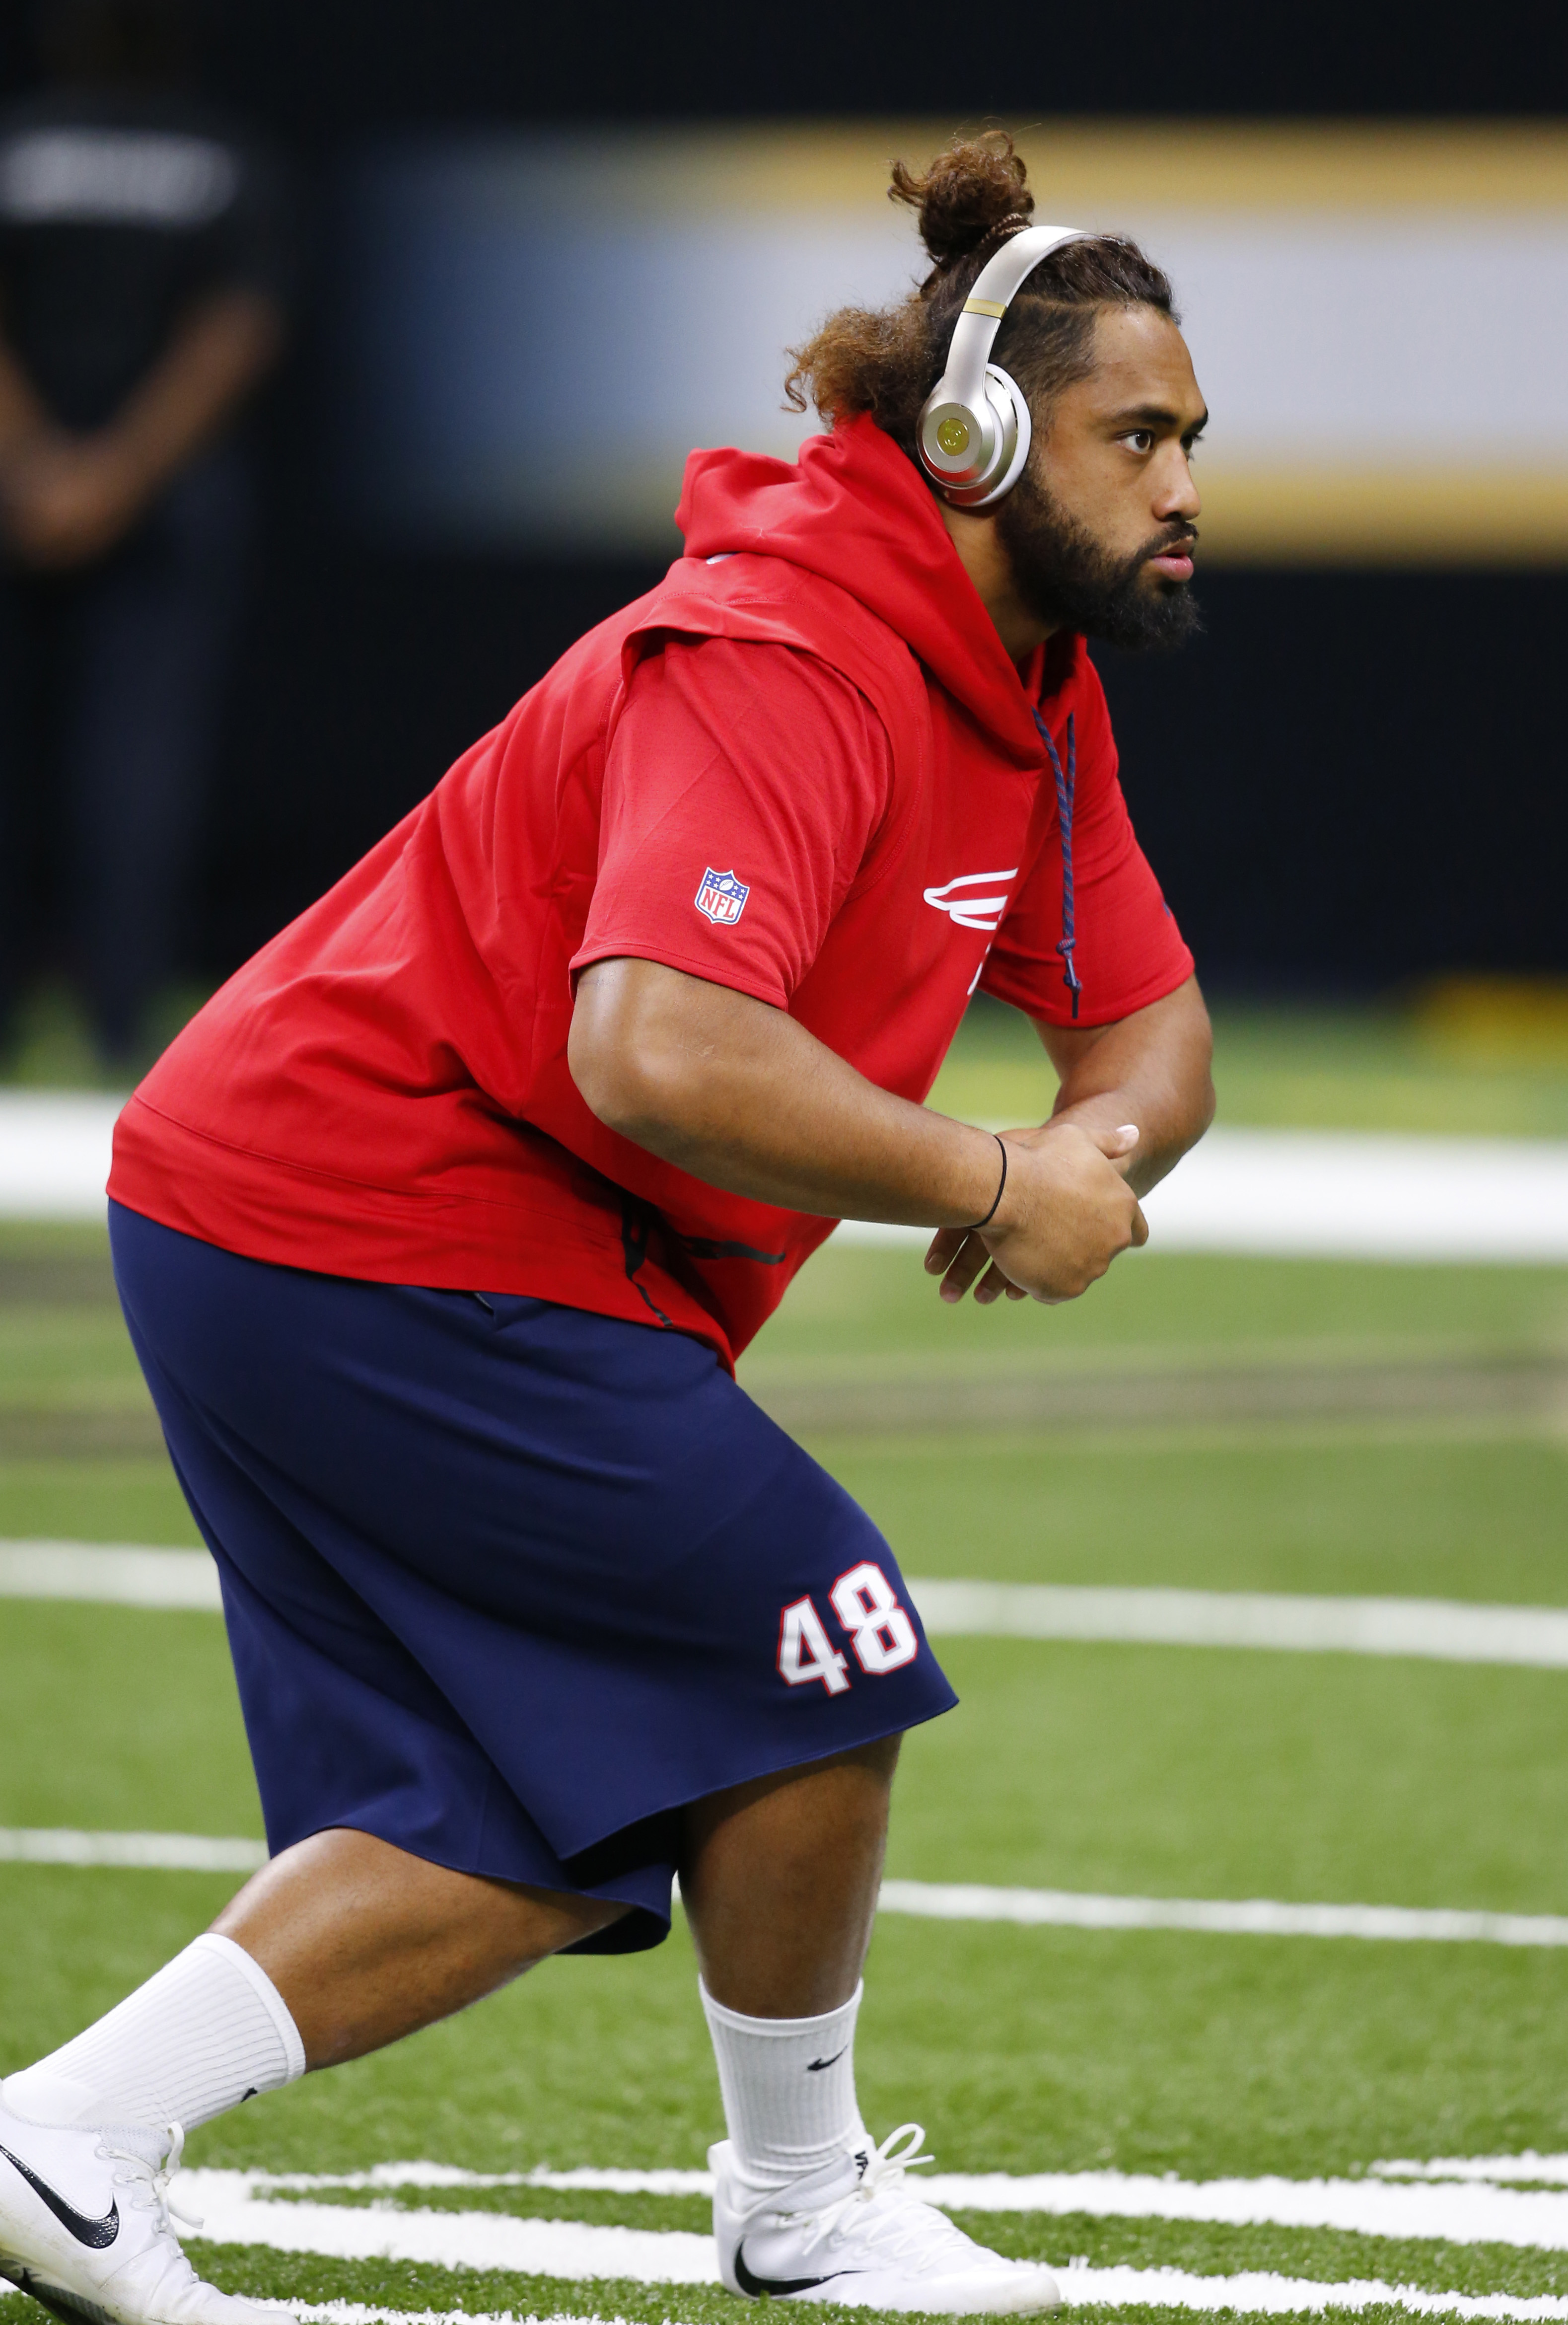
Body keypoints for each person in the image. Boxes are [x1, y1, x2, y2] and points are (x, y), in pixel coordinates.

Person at [0, 134, 1214, 2324]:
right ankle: (802, 2199)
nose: (1184, 485)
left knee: (526, 1821)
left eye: (1193, 442)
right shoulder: (787, 648)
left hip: (362, 1225)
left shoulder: (1035, 699)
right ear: (975, 445)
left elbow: (1157, 1042)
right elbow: (655, 1048)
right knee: (816, 1652)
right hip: (354, 1205)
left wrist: (1085, 1159)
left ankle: (64, 2139)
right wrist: (982, 1170)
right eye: (1139, 436)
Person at [0, 0, 286, 1072]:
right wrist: (115, 473)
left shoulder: (18, 146)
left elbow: (241, 326)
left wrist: (41, 466)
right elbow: (237, 328)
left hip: (36, 484)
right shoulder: (224, 157)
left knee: (126, 768)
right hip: (160, 492)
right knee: (139, 763)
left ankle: (108, 1014)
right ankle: (121, 1021)